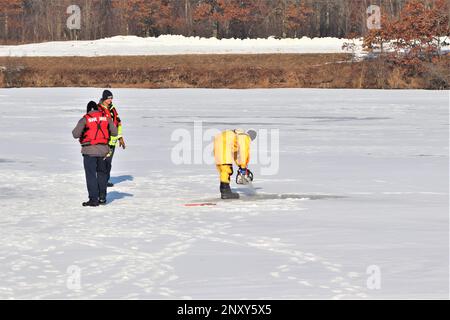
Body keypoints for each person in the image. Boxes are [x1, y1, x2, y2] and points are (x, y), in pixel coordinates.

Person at [72, 101, 118, 207]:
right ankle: (102, 198)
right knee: (102, 174)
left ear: (88, 109)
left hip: (89, 152)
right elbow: (115, 132)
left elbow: (75, 134)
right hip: (103, 151)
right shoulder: (106, 118)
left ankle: (93, 199)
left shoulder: (86, 118)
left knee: (91, 175)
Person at [213, 129, 257, 199]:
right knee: (226, 169)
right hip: (224, 142)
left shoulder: (237, 135)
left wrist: (240, 165)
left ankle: (225, 190)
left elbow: (236, 153)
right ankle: (225, 192)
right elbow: (243, 152)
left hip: (218, 140)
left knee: (223, 167)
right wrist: (243, 167)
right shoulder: (245, 137)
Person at [98, 90, 126, 188]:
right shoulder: (99, 109)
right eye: (109, 98)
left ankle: (106, 180)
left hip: (112, 141)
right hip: (102, 141)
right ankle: (100, 180)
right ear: (104, 98)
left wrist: (120, 137)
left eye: (111, 98)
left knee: (108, 162)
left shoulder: (113, 109)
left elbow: (118, 123)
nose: (110, 100)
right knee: (102, 162)